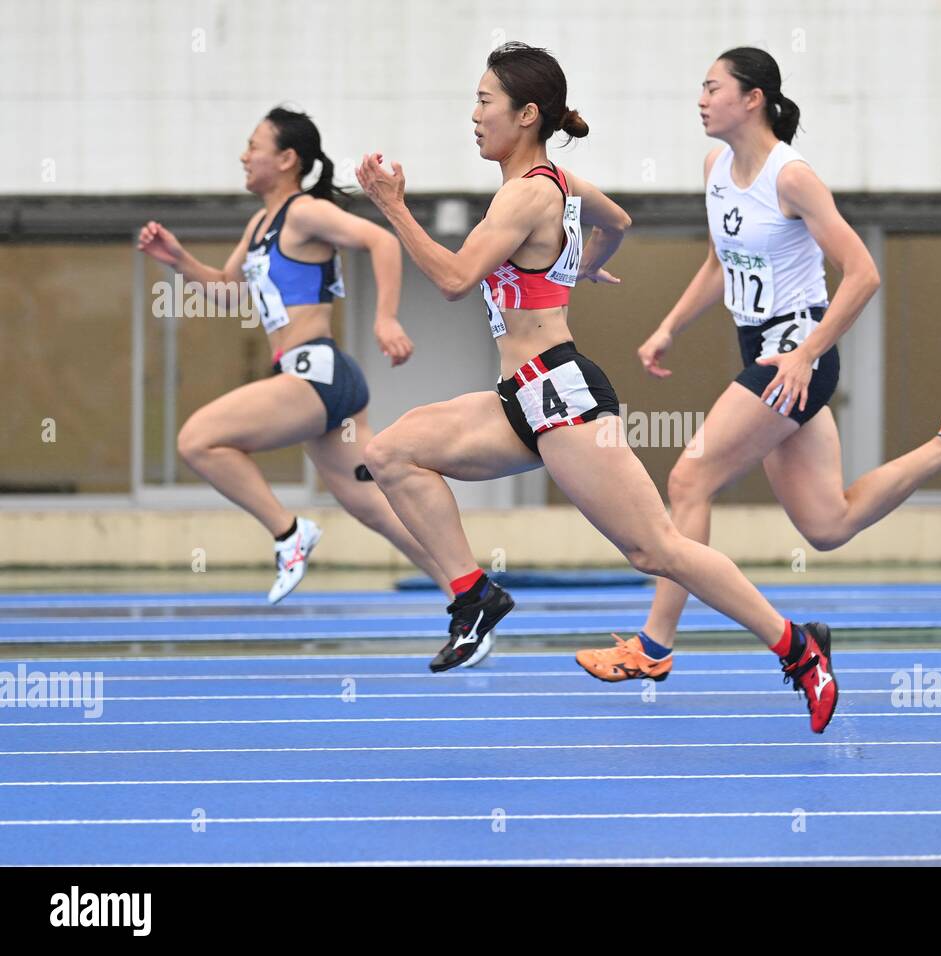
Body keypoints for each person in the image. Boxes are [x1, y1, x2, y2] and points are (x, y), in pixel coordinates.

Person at [356, 42, 842, 732]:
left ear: (526, 115)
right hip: (516, 399)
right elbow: (617, 222)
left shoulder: (529, 194)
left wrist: (394, 208)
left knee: (656, 550)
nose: (473, 115)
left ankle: (796, 645)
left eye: (484, 102)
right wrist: (573, 268)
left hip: (563, 397)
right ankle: (473, 596)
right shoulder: (558, 183)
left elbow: (455, 279)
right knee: (391, 454)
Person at [575, 47, 941, 684]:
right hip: (760, 350)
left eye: (712, 87)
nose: (701, 99)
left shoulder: (792, 177)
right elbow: (721, 263)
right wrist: (669, 326)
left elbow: (864, 273)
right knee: (827, 524)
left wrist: (807, 353)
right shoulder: (715, 166)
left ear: (752, 98)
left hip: (795, 358)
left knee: (689, 480)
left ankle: (654, 648)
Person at [137, 108, 463, 627]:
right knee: (376, 507)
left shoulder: (305, 212)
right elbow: (228, 292)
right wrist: (178, 260)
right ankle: (469, 598)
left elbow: (378, 240)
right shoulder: (261, 224)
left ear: (287, 158)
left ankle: (289, 533)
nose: (244, 156)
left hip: (317, 373)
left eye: (254, 145)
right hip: (316, 379)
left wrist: (384, 318)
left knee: (198, 440)